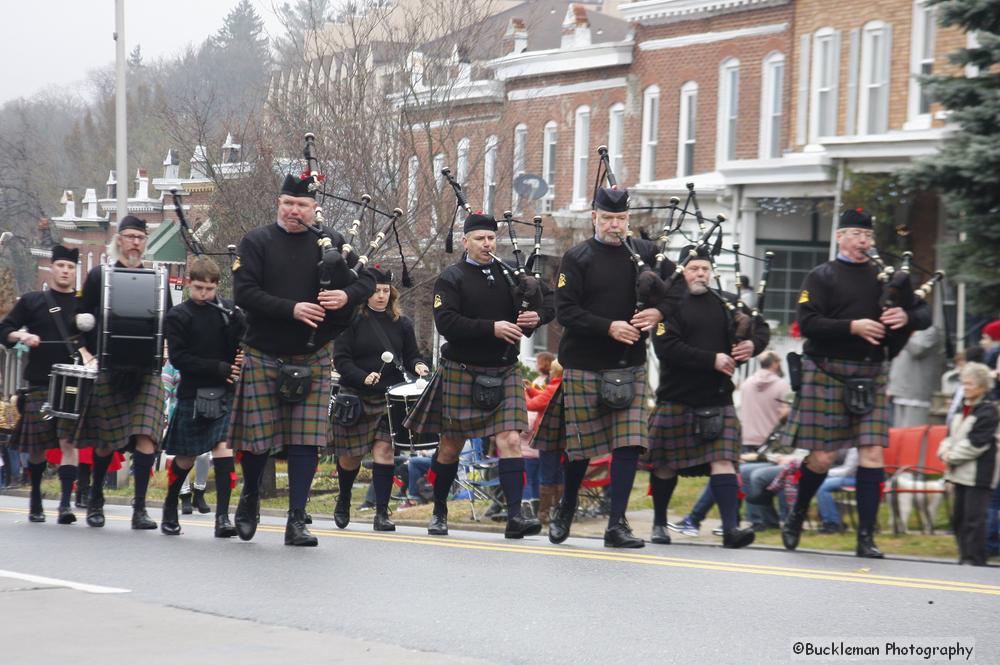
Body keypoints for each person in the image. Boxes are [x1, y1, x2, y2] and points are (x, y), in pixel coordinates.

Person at [229, 172, 375, 546]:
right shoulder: (257, 241)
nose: (294, 211)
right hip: (264, 350)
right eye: (288, 203)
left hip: (312, 354)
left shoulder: (332, 244)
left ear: (315, 208)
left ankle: (297, 519)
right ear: (279, 204)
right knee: (258, 440)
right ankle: (249, 498)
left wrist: (346, 296)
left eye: (302, 205)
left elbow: (368, 280)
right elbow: (245, 293)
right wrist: (292, 309)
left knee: (305, 440)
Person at [780, 208, 931, 558]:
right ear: (840, 238)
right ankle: (798, 513)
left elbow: (924, 314)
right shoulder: (822, 276)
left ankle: (866, 537)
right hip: (827, 371)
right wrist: (854, 326)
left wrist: (907, 315)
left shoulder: (886, 277)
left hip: (871, 372)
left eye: (868, 236)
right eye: (855, 234)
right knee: (822, 457)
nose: (864, 241)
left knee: (873, 453)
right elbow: (808, 322)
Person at [534, 187, 678, 548]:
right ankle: (566, 506)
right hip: (585, 363)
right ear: (594, 217)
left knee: (629, 444)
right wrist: (609, 326)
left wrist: (660, 312)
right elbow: (566, 311)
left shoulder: (647, 254)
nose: (616, 225)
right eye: (609, 218)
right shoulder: (577, 257)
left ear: (629, 219)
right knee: (580, 448)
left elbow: (680, 291)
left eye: (622, 219)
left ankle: (617, 523)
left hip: (630, 364)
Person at [404, 212, 545, 539]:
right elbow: (446, 323)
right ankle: (439, 510)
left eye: (491, 238)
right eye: (480, 239)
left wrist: (534, 313)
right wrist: (491, 328)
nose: (487, 244)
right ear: (465, 242)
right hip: (462, 370)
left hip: (504, 369)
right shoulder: (452, 278)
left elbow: (539, 311)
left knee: (510, 440)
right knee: (451, 447)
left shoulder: (511, 276)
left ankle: (514, 517)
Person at [646, 245, 769, 549]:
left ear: (711, 271)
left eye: (704, 268)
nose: (700, 274)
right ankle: (660, 523)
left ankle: (731, 529)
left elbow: (760, 326)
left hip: (717, 398)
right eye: (693, 268)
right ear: (682, 272)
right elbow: (666, 348)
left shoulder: (727, 303)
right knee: (664, 465)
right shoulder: (669, 306)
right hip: (676, 397)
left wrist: (752, 346)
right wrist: (711, 359)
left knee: (724, 461)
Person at [76, 216, 171, 530]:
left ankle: (140, 507)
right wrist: (87, 354)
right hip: (109, 367)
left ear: (145, 242)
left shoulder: (159, 279)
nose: (135, 243)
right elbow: (81, 320)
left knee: (147, 436)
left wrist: (170, 350)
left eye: (140, 238)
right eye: (129, 236)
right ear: (119, 239)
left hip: (147, 370)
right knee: (106, 441)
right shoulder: (98, 276)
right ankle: (96, 499)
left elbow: (167, 322)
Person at [331, 265, 429, 532]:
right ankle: (344, 498)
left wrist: (419, 365)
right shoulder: (351, 321)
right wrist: (363, 376)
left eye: (386, 291)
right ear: (366, 293)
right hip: (356, 397)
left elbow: (410, 355)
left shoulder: (402, 324)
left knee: (384, 452)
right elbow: (341, 359)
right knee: (350, 457)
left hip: (389, 399)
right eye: (375, 291)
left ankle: (382, 513)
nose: (381, 296)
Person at [160, 256, 245, 537]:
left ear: (216, 286)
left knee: (223, 448)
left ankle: (222, 518)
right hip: (193, 391)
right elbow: (180, 358)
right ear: (188, 284)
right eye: (198, 288)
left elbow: (239, 344)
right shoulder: (178, 316)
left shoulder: (228, 311)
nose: (204, 295)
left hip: (225, 391)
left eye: (209, 290)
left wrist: (240, 328)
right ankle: (171, 502)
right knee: (186, 456)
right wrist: (219, 367)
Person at [0, 245, 84, 524]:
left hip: (71, 384)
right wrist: (22, 337)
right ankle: (35, 500)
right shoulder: (33, 301)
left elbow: (94, 340)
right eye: (61, 265)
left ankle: (64, 505)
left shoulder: (84, 306)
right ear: (52, 267)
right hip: (38, 382)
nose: (65, 271)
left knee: (68, 442)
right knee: (37, 447)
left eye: (70, 267)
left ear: (75, 271)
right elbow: (4, 330)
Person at [937, 362, 999, 566]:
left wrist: (951, 456)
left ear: (982, 386)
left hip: (979, 473)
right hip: (958, 471)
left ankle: (975, 560)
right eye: (963, 383)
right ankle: (965, 556)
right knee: (959, 519)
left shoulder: (988, 411)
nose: (965, 387)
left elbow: (977, 443)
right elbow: (950, 435)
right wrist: (944, 451)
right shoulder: (961, 409)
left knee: (974, 519)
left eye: (970, 384)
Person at [525, 360, 563, 523]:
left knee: (547, 476)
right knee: (558, 475)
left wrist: (523, 393)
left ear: (555, 372)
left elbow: (532, 405)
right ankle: (558, 511)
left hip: (548, 437)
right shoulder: (562, 386)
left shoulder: (554, 387)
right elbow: (542, 397)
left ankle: (544, 514)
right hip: (562, 437)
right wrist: (530, 389)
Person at [887, 325, 943, 427]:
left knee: (913, 435)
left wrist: (903, 333)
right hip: (897, 392)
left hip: (916, 395)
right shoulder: (902, 330)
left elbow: (917, 349)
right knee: (898, 436)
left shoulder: (930, 330)